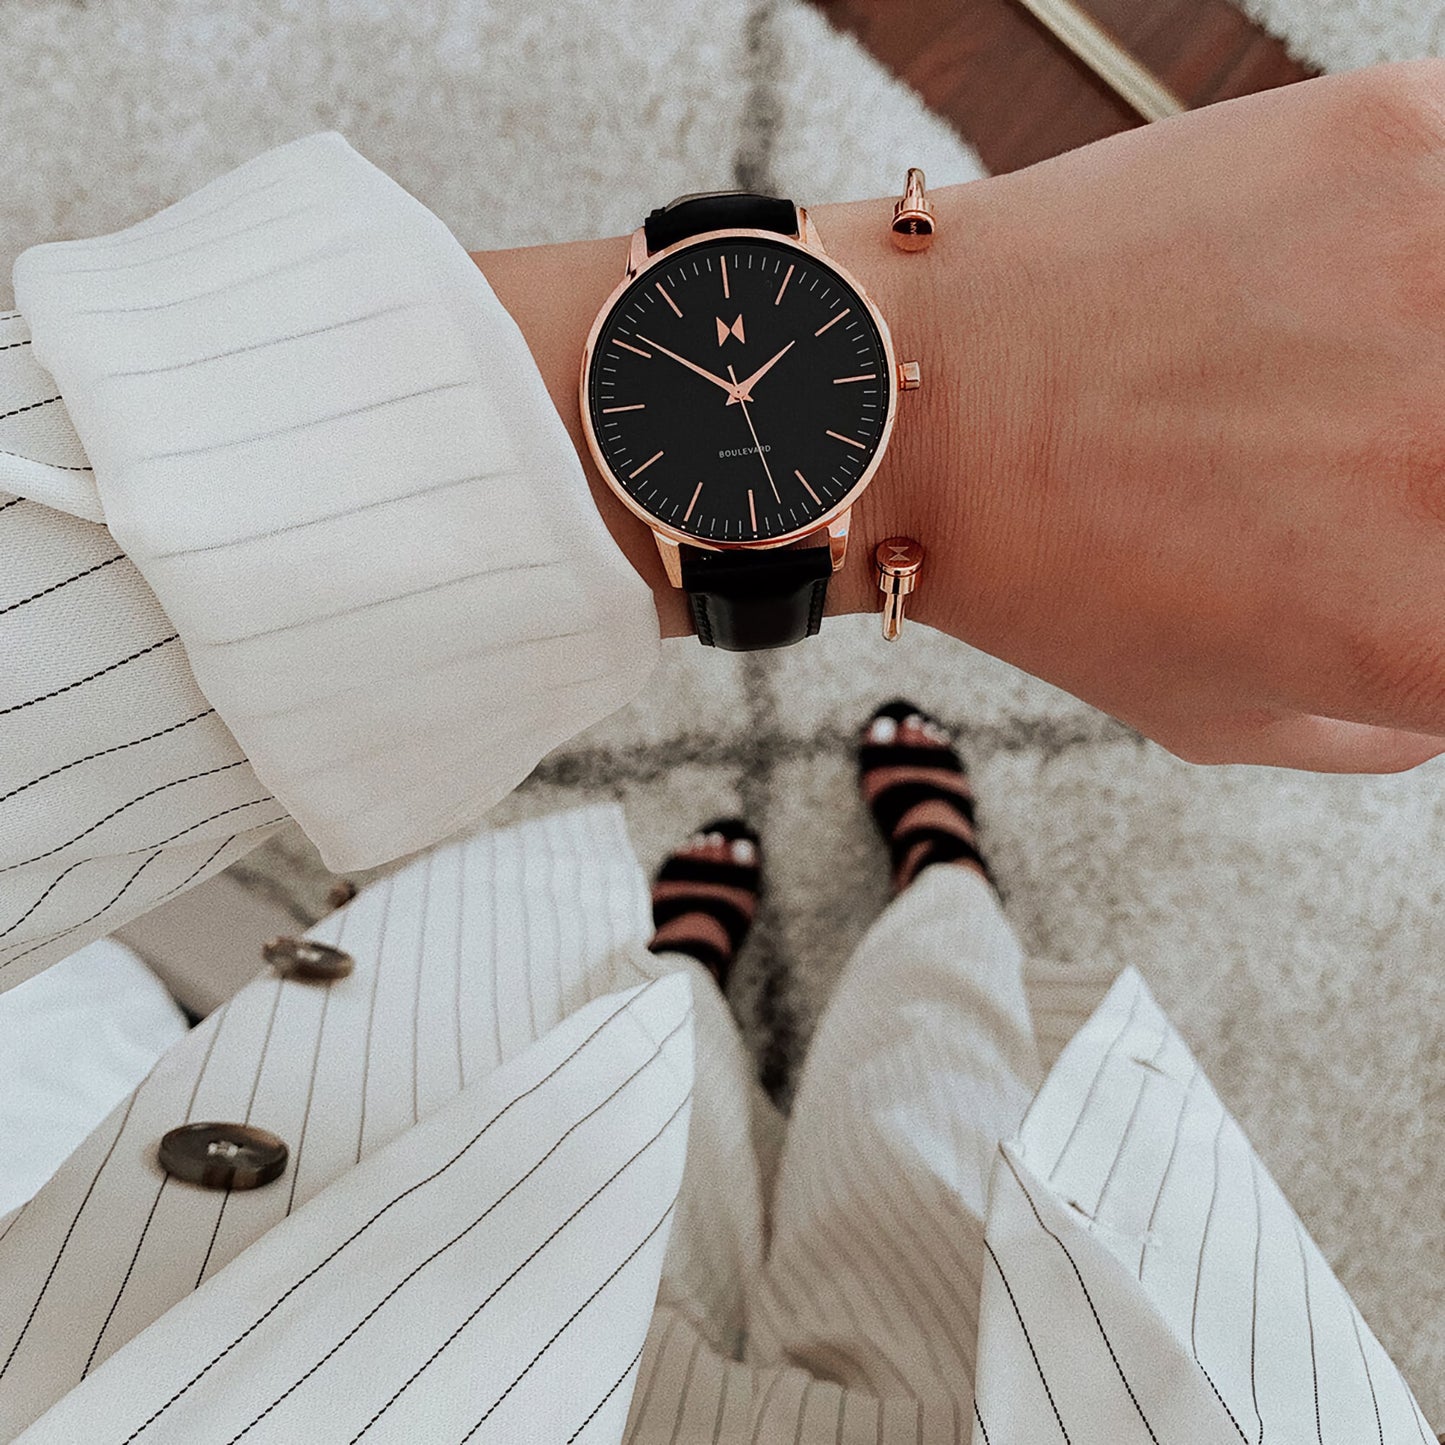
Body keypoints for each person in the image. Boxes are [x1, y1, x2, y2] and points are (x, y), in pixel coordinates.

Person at [0, 60, 1442, 1440]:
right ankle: (938, 881)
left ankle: (687, 958)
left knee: (608, 1074)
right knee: (934, 1108)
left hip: (362, 1306)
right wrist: (976, 407)